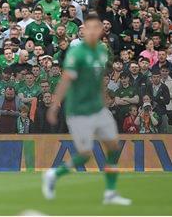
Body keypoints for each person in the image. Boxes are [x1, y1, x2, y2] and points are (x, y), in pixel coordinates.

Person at [43, 13, 131, 205]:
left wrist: (103, 97)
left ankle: (110, 193)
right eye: (87, 28)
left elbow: (99, 79)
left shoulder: (102, 51)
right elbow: (65, 80)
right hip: (78, 110)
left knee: (114, 148)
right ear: (83, 31)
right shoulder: (77, 53)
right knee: (85, 155)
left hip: (98, 108)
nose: (91, 31)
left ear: (100, 31)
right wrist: (54, 106)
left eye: (95, 28)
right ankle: (53, 174)